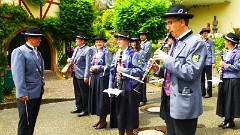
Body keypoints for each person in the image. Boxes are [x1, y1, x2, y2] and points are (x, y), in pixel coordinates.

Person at [151, 4, 207, 135]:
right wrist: (158, 69)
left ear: (182, 22)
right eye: (166, 23)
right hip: (170, 100)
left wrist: (166, 59)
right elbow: (172, 71)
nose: (167, 27)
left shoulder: (196, 43)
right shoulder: (176, 42)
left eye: (170, 22)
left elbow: (191, 72)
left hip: (184, 103)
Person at [11, 27, 45, 135]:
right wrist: (21, 92)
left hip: (37, 92)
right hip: (27, 93)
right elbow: (17, 74)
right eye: (38, 38)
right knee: (25, 122)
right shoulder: (20, 51)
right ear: (29, 38)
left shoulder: (37, 52)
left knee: (32, 120)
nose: (40, 40)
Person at [109, 30, 144, 135]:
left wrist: (124, 70)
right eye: (118, 39)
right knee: (119, 112)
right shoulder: (117, 54)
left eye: (121, 39)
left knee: (128, 113)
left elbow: (140, 70)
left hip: (128, 87)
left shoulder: (134, 54)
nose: (118, 41)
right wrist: (110, 87)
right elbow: (112, 71)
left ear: (127, 41)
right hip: (117, 85)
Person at [216, 32, 240, 129]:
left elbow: (237, 67)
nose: (224, 42)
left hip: (233, 79)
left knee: (231, 100)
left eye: (226, 40)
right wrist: (221, 68)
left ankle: (231, 121)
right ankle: (226, 119)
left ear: (230, 42)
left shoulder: (238, 53)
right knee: (225, 99)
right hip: (225, 78)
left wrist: (224, 66)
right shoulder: (227, 51)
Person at [88, 34, 112, 129]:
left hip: (103, 79)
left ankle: (104, 121)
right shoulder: (95, 53)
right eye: (97, 42)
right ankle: (100, 119)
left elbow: (109, 66)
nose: (98, 43)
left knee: (102, 99)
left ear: (104, 42)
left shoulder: (107, 53)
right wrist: (91, 68)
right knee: (97, 99)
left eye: (100, 42)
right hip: (95, 78)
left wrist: (97, 67)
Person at [68, 32, 93, 117]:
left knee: (84, 92)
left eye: (78, 39)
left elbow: (88, 64)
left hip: (82, 74)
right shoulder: (77, 48)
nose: (76, 40)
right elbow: (75, 58)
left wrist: (86, 76)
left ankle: (86, 109)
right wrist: (70, 60)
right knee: (77, 91)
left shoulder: (87, 49)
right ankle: (79, 107)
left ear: (83, 41)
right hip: (75, 72)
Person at [199, 28, 216, 98]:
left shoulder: (211, 42)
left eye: (207, 33)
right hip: (201, 63)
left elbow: (213, 52)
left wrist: (213, 62)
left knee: (209, 78)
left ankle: (209, 93)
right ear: (202, 34)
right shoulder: (199, 42)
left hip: (208, 62)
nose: (206, 34)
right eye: (204, 33)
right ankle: (202, 92)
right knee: (201, 78)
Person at [138, 29, 152, 107]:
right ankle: (143, 98)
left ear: (146, 36)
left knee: (142, 82)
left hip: (145, 65)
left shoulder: (148, 44)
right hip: (140, 65)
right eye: (140, 35)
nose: (141, 36)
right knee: (140, 81)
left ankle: (143, 100)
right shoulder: (141, 43)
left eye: (143, 35)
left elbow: (145, 55)